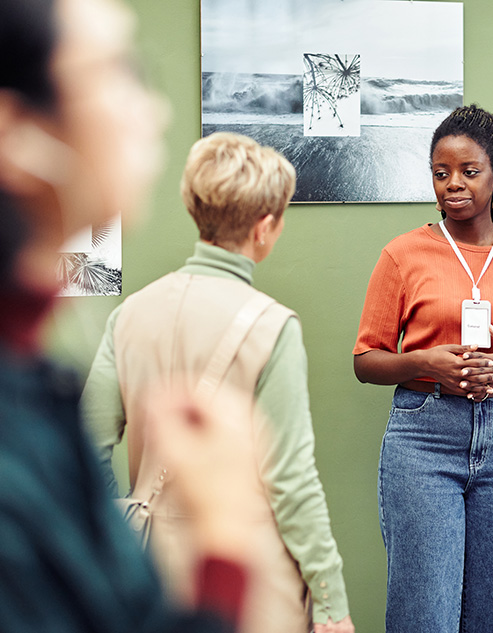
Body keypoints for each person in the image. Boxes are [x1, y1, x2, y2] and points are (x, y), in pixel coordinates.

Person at [0, 0, 261, 630]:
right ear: (17, 131)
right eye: (121, 71)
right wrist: (225, 539)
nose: (156, 111)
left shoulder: (36, 385)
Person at [81, 132, 355, 633]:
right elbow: (291, 481)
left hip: (151, 579)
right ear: (265, 227)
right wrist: (331, 600)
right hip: (249, 581)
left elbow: (85, 449)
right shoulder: (274, 327)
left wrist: (118, 540)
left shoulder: (129, 315)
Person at [353, 104, 493, 633]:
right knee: (423, 614)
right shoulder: (403, 255)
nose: (453, 184)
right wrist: (424, 362)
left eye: (469, 172)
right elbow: (365, 360)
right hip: (423, 440)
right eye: (440, 172)